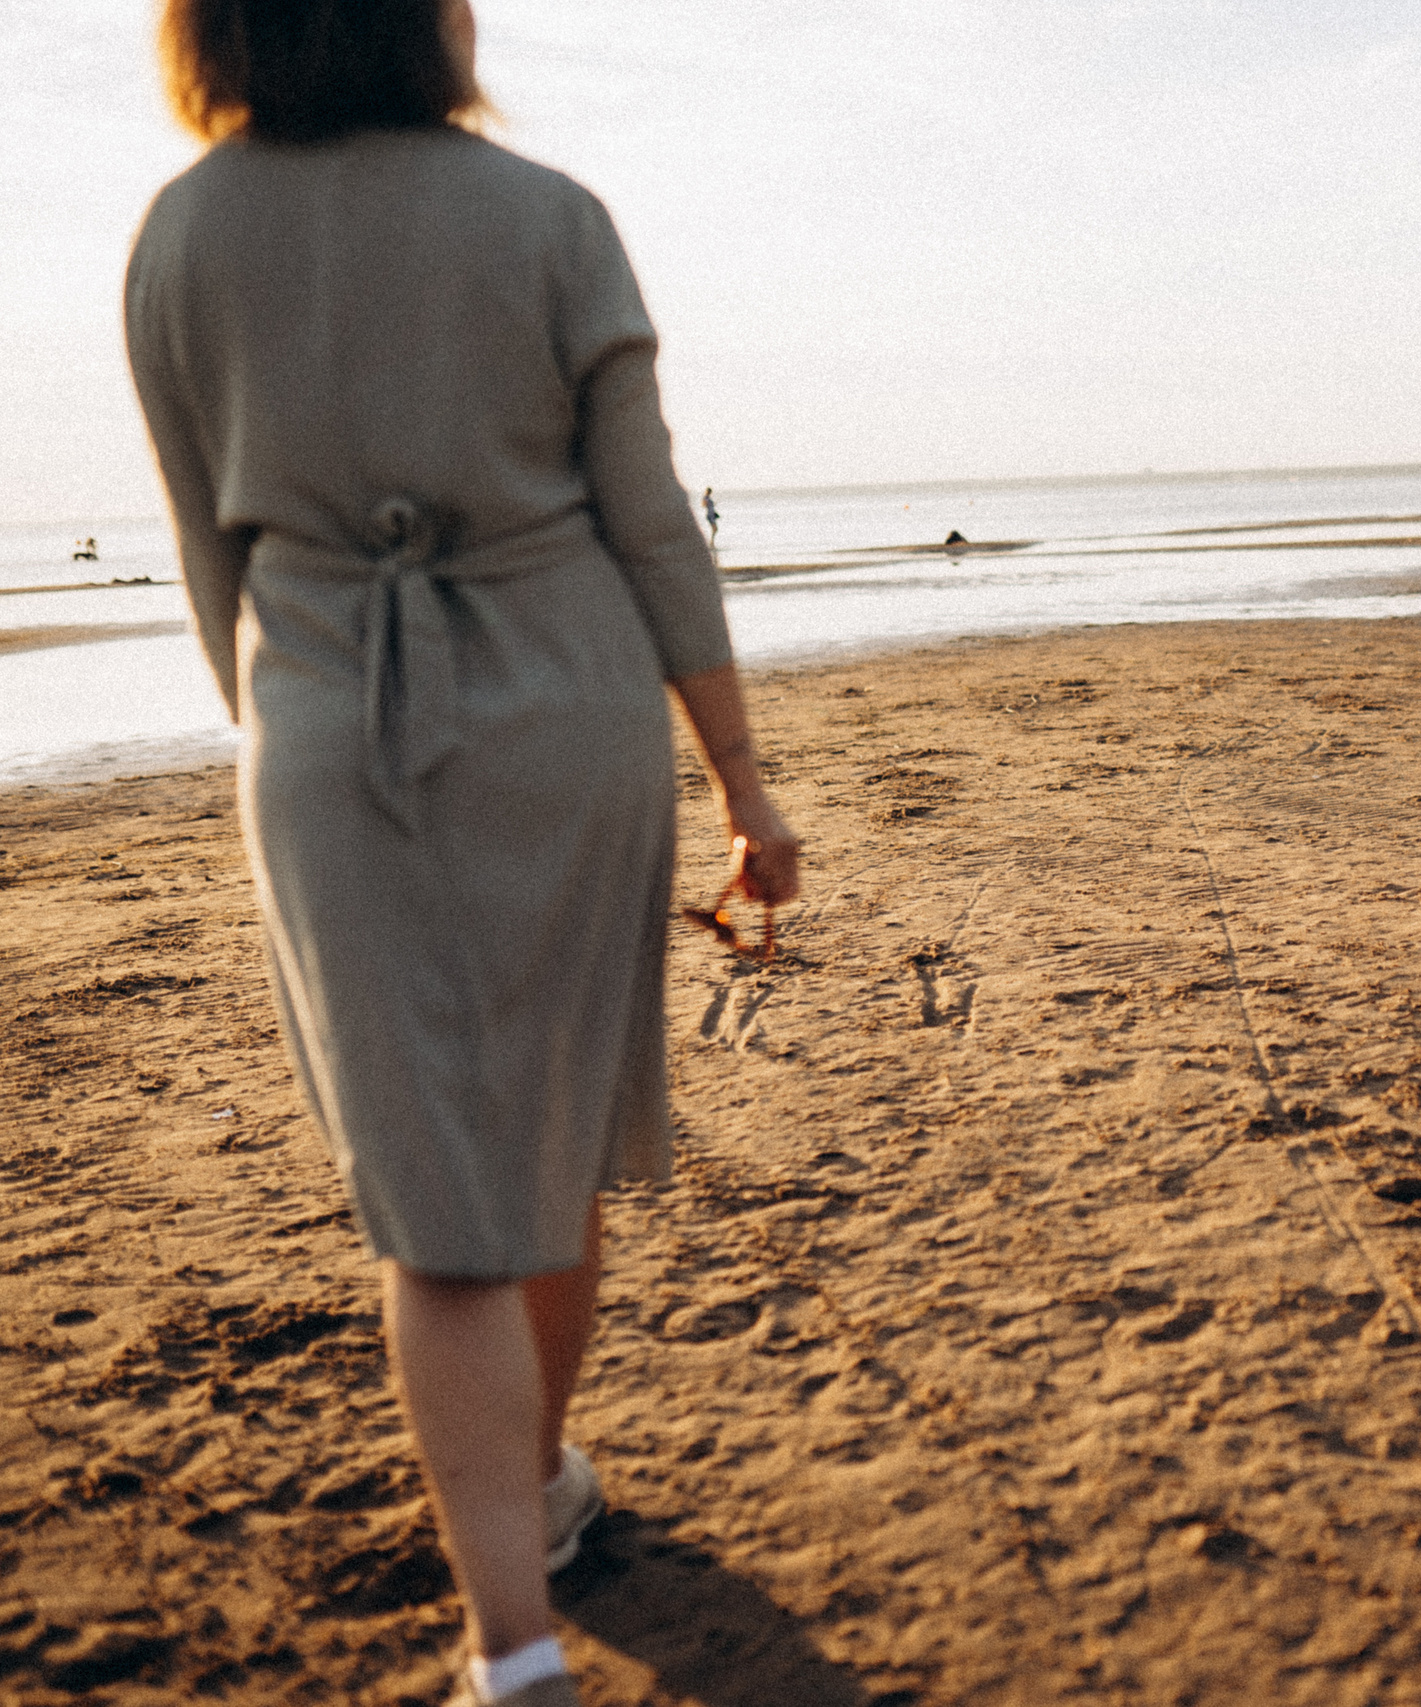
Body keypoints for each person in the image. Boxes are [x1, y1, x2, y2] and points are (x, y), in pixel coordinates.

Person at [124, 5, 802, 1705]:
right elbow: (651, 522)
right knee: (550, 1147)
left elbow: (217, 570)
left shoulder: (178, 235)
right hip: (567, 717)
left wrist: (301, 741)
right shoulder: (549, 217)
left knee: (435, 1207)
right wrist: (743, 783)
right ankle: (538, 1481)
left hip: (329, 731)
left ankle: (515, 1649)